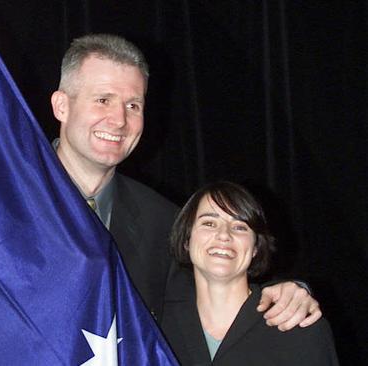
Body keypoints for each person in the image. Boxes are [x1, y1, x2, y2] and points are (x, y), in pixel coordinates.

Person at [50, 33, 321, 329]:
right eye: (103, 100)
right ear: (61, 106)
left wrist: (290, 292)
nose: (119, 120)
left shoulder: (164, 221)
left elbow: (220, 298)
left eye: (133, 106)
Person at [161, 181, 338, 365]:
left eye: (240, 227)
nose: (224, 235)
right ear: (187, 241)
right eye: (209, 223)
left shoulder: (299, 326)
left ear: (255, 248)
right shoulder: (156, 327)